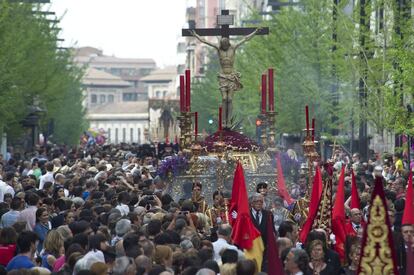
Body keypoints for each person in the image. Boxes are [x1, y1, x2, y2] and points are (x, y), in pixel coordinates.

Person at [190, 28, 261, 128]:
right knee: (224, 98)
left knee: (230, 99)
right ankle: (223, 121)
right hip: (223, 77)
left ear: (228, 43)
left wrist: (255, 32)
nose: (224, 46)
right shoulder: (219, 50)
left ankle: (229, 121)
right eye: (222, 45)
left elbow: (245, 39)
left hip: (231, 76)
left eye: (225, 44)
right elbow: (205, 41)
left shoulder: (233, 48)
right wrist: (196, 35)